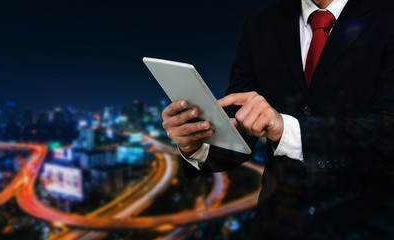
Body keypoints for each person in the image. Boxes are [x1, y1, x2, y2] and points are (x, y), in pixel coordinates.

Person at [161, 0, 394, 239]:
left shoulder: (386, 16)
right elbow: (239, 129)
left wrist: (286, 129)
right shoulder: (260, 24)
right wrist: (196, 142)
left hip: (369, 225)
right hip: (278, 226)